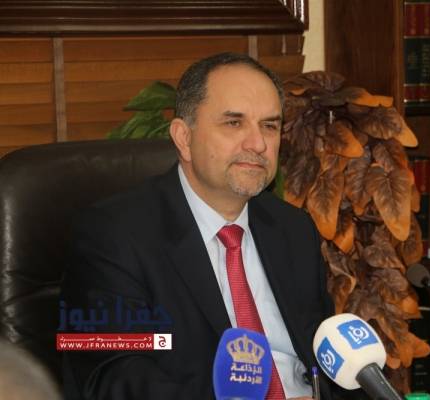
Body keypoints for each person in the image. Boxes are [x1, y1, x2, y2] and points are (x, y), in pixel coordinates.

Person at [61, 52, 338, 399]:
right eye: (234, 123)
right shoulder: (114, 235)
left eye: (269, 126)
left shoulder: (293, 229)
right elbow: (115, 378)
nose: (258, 144)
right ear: (183, 137)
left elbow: (328, 362)